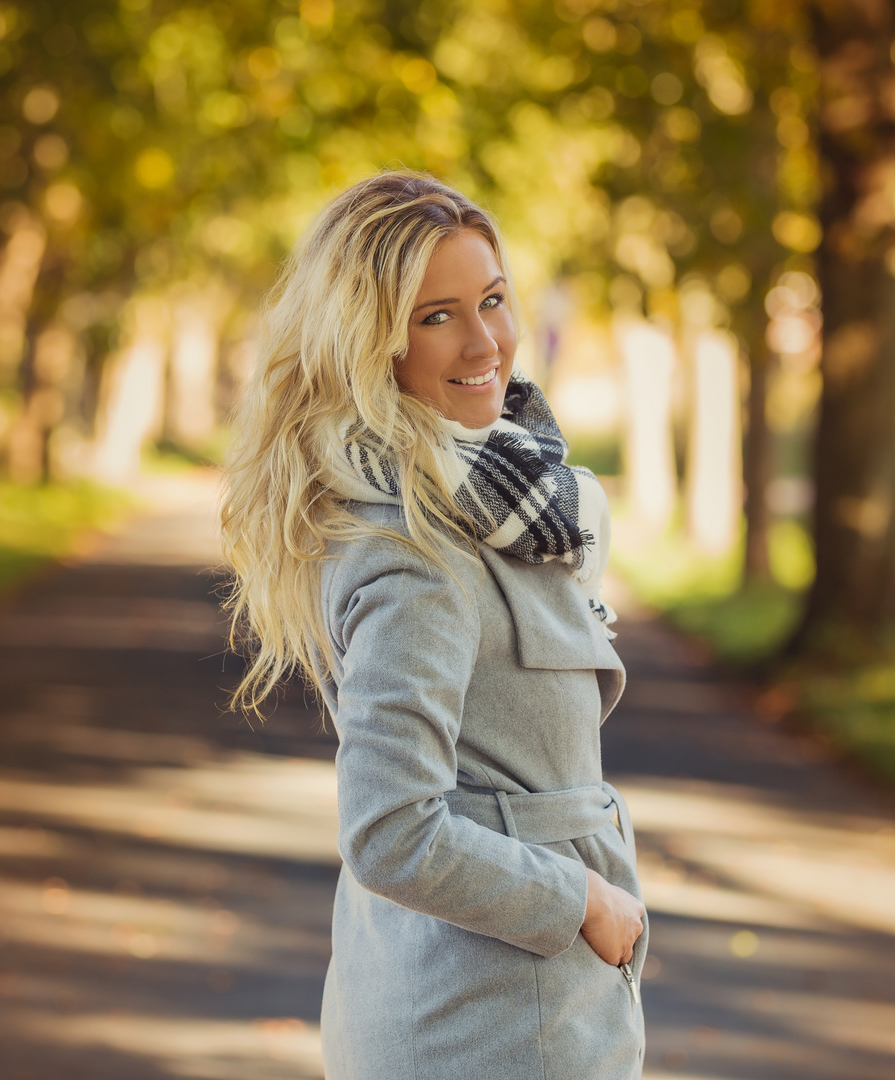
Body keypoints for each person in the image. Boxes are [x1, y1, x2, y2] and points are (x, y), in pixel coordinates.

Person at [221, 170, 646, 1080]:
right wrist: (581, 901)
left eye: (492, 299)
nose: (487, 340)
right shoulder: (415, 549)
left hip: (502, 1002)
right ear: (371, 343)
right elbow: (390, 829)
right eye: (436, 315)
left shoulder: (483, 499)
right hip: (488, 1024)